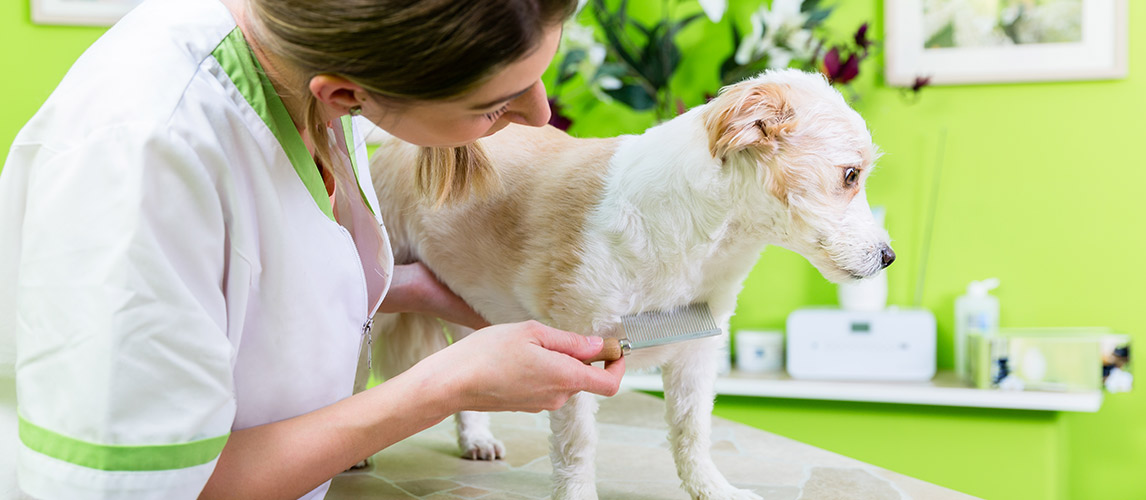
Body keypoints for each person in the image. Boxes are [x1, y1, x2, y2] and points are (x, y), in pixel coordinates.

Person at [0, 0, 626, 498]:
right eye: (494, 108)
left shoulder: (309, 64)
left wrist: (418, 291)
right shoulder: (146, 155)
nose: (541, 115)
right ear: (347, 93)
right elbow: (146, 489)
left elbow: (252, 276)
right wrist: (446, 385)